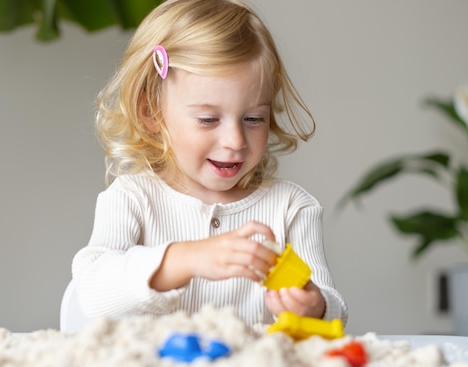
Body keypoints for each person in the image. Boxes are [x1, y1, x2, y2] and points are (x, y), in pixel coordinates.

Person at [67, 0, 348, 328]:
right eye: (208, 119)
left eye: (254, 117)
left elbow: (334, 307)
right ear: (151, 113)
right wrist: (184, 260)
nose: (236, 140)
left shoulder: (291, 207)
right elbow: (91, 293)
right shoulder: (132, 198)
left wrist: (314, 306)